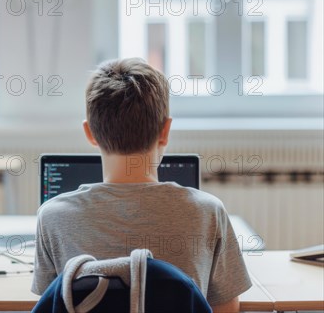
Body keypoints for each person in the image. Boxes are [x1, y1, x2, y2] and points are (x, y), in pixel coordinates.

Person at [32, 58, 252, 312]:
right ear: (165, 130)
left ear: (90, 133)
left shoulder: (52, 217)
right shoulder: (208, 212)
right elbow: (226, 309)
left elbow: (50, 304)